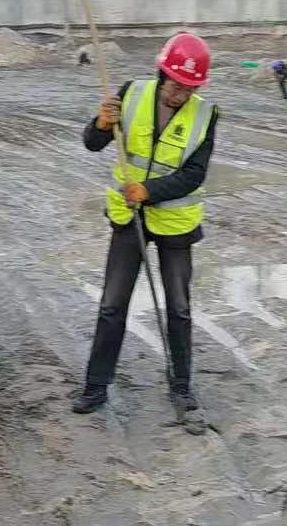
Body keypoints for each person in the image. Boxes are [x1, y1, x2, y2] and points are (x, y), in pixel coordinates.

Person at [72, 33, 218, 428]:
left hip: (174, 223)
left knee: (179, 308)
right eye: (176, 85)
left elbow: (194, 174)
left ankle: (182, 386)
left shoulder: (206, 115)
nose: (181, 94)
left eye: (189, 88)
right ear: (161, 73)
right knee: (112, 304)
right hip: (127, 218)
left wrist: (149, 190)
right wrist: (101, 124)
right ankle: (95, 386)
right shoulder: (131, 94)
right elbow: (92, 143)